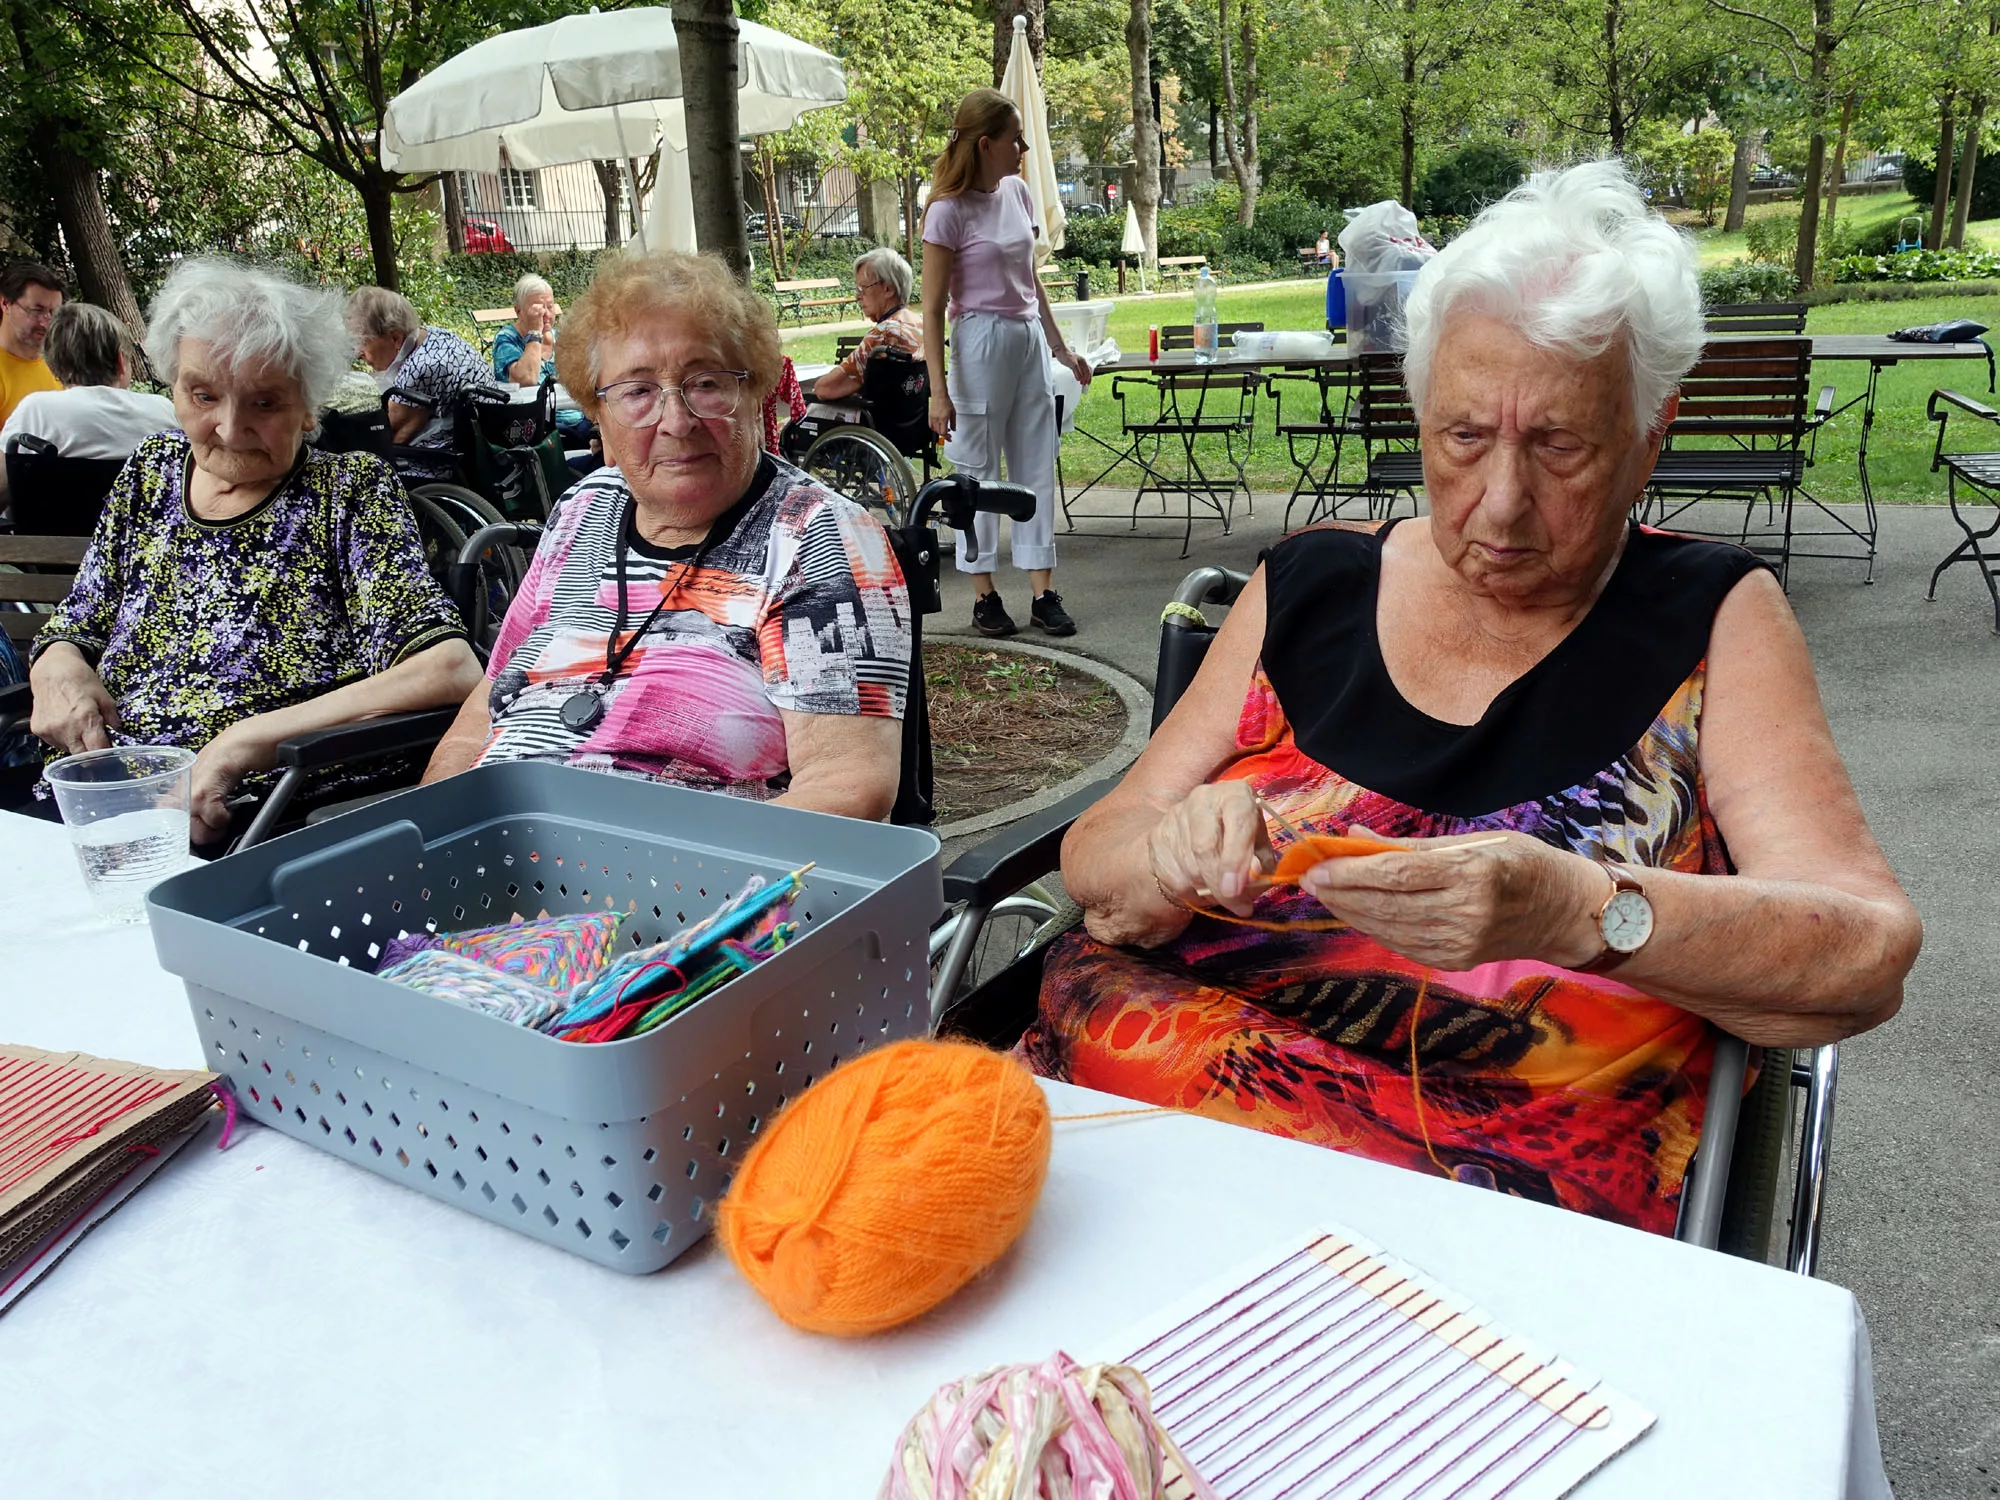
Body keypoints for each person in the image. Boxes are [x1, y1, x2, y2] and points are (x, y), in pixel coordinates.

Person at [1025, 161, 1921, 1235]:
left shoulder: (1712, 620)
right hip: (1118, 1148)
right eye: (1462, 437)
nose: (1500, 505)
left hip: (1474, 1217)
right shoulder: (1309, 584)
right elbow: (1099, 846)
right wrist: (1167, 856)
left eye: (1559, 444)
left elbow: (1864, 953)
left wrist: (1579, 912)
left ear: (1649, 437)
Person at [421, 250, 912, 821]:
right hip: (496, 847)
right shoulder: (583, 509)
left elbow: (849, 786)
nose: (676, 422)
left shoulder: (815, 537)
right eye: (637, 392)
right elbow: (485, 707)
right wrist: (434, 825)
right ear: (599, 417)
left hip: (689, 867)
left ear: (754, 395)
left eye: (705, 383)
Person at [27, 258, 484, 845]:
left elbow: (448, 668)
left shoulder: (346, 493)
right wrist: (56, 668)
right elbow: (78, 622)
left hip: (261, 815)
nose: (228, 427)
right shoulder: (150, 473)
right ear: (173, 386)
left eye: (264, 403)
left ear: (309, 406)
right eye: (203, 395)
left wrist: (244, 743)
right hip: (94, 803)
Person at [922, 87, 1093, 640]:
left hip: (1026, 339)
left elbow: (1031, 280)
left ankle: (1044, 593)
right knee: (976, 470)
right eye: (1015, 139)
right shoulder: (947, 211)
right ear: (985, 143)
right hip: (978, 340)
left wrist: (1061, 348)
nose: (1023, 148)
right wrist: (938, 391)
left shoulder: (1018, 193)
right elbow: (931, 308)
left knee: (1036, 462)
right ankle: (984, 593)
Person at [0, 303, 177, 509]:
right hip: (144, 529)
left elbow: (2, 488)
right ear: (121, 361)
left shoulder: (36, 410)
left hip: (54, 529)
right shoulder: (163, 410)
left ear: (54, 367)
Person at [346, 286, 502, 481]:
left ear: (395, 338)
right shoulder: (435, 337)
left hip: (444, 468)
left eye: (363, 342)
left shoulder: (421, 369)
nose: (359, 352)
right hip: (482, 450)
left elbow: (392, 435)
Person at [809, 247, 925, 407]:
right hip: (912, 418)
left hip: (876, 419)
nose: (858, 296)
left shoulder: (884, 334)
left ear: (888, 289)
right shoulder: (922, 325)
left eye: (863, 288)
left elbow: (825, 388)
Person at [493, 272, 595, 445]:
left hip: (578, 419)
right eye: (538, 309)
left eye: (549, 306)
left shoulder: (560, 338)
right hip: (536, 429)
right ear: (518, 311)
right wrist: (535, 333)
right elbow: (527, 379)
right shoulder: (507, 338)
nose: (546, 314)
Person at [0, 263, 66, 425]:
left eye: (54, 313)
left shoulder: (64, 364)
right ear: (5, 303)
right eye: (37, 310)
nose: (46, 323)